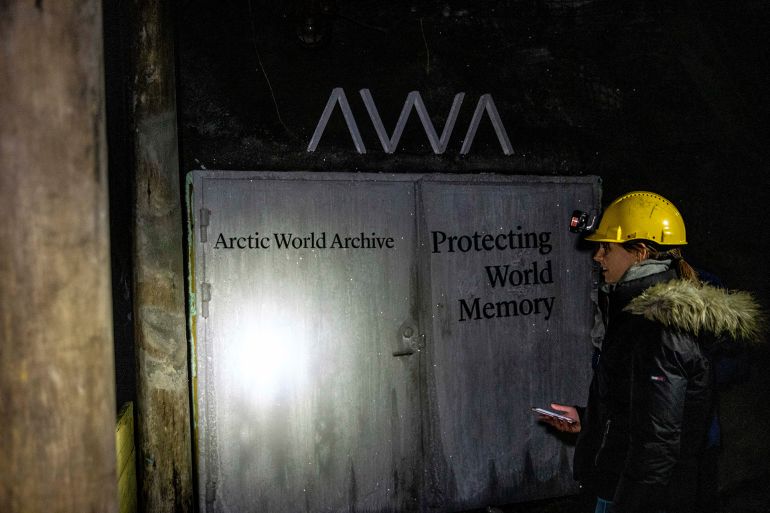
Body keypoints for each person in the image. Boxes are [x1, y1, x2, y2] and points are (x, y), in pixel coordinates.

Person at [539, 191, 764, 513]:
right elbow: (645, 411)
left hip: (636, 494)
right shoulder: (636, 316)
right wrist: (589, 420)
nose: (597, 256)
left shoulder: (659, 328)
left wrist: (627, 505)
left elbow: (658, 444)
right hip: (621, 483)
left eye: (607, 248)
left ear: (640, 252)